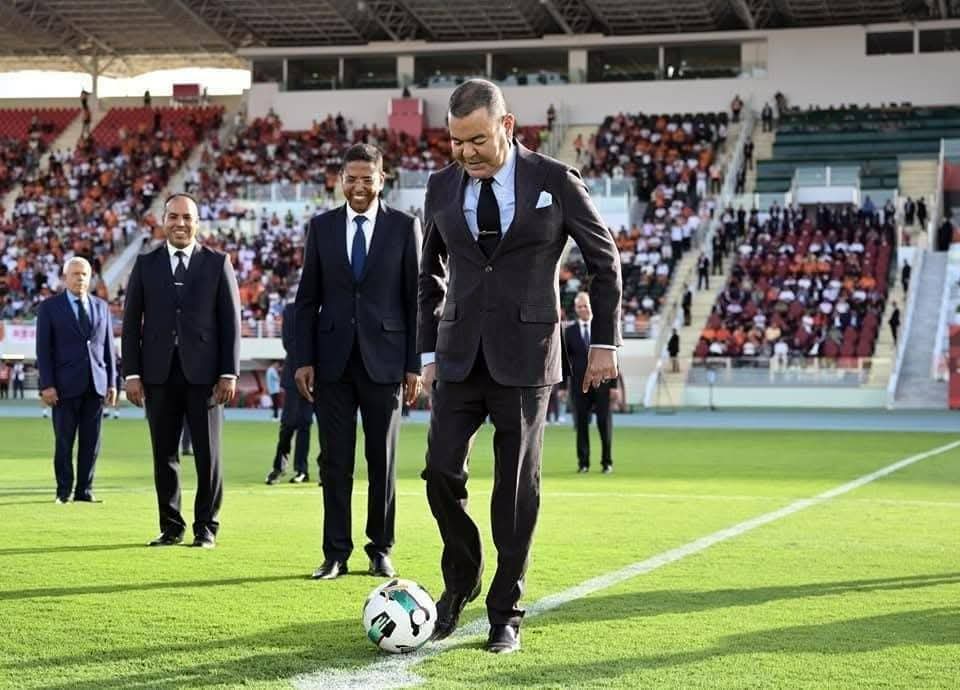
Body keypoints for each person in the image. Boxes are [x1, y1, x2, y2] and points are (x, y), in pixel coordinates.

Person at [417, 79, 621, 654]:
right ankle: (462, 578)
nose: (466, 153)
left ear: (507, 125)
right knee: (439, 473)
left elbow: (604, 260)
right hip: (458, 356)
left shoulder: (555, 181)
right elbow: (427, 274)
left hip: (528, 359)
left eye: (477, 140)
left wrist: (604, 343)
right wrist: (428, 353)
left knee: (514, 490)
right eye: (456, 142)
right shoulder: (439, 186)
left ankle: (505, 611)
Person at [294, 143, 422, 581]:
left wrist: (414, 364)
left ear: (382, 180)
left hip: (386, 362)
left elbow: (415, 300)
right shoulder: (321, 227)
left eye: (368, 178)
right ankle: (335, 554)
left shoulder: (404, 227)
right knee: (334, 462)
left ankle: (380, 549)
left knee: (381, 461)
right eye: (351, 178)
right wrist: (303, 359)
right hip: (332, 363)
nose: (359, 186)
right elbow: (306, 299)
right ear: (340, 181)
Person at [122, 193, 241, 549]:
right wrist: (131, 373)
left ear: (197, 222)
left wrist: (229, 372)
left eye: (187, 217)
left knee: (208, 456)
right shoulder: (146, 264)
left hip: (205, 377)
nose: (180, 223)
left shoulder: (218, 263)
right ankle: (171, 527)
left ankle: (206, 527)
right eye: (173, 216)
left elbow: (231, 323)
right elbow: (131, 323)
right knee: (164, 454)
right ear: (163, 220)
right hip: (158, 375)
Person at [35, 257, 117, 504]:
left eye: (84, 274)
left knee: (91, 443)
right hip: (63, 387)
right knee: (64, 442)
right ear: (65, 277)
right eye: (75, 274)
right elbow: (43, 350)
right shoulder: (49, 308)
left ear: (90, 278)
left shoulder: (101, 306)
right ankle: (63, 491)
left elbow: (108, 348)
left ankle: (84, 490)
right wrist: (47, 384)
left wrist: (112, 383)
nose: (80, 278)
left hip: (95, 384)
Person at [266, 300, 324, 485]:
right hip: (296, 374)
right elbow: (289, 343)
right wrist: (308, 364)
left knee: (319, 426)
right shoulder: (291, 310)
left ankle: (310, 470)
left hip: (324, 377)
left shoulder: (330, 306)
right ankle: (279, 467)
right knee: (288, 425)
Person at [562, 293, 618, 474]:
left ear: (591, 306)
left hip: (602, 384)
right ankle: (583, 463)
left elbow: (612, 357)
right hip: (579, 386)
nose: (583, 309)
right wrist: (562, 387)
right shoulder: (569, 331)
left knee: (604, 423)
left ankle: (607, 462)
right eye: (579, 307)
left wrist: (614, 386)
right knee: (581, 424)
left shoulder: (602, 328)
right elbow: (564, 361)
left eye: (585, 305)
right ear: (576, 309)